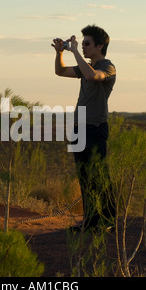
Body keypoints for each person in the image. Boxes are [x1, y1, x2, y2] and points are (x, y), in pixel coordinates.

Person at [52, 24, 116, 232]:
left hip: (95, 127)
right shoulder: (86, 67)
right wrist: (60, 53)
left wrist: (75, 51)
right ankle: (91, 220)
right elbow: (60, 71)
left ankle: (107, 221)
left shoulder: (107, 66)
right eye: (83, 44)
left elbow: (92, 76)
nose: (84, 47)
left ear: (99, 45)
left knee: (99, 175)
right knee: (85, 176)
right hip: (79, 127)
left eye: (87, 43)